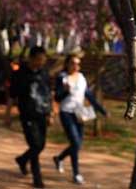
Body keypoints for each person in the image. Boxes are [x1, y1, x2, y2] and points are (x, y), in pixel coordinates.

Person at [52, 54, 107, 185]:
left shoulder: (82, 78)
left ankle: (59, 158)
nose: (76, 66)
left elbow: (88, 95)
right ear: (67, 64)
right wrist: (65, 91)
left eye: (78, 63)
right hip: (66, 112)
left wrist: (101, 109)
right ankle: (76, 174)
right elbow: (57, 98)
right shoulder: (62, 78)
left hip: (79, 113)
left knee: (77, 145)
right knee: (75, 143)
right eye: (73, 63)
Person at [8, 46, 51, 188]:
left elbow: (47, 94)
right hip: (27, 115)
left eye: (43, 60)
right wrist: (7, 115)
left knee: (41, 145)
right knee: (35, 145)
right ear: (31, 58)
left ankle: (22, 159)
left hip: (42, 114)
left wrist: (50, 113)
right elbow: (12, 95)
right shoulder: (20, 74)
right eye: (38, 60)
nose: (41, 63)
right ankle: (37, 178)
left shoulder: (44, 73)